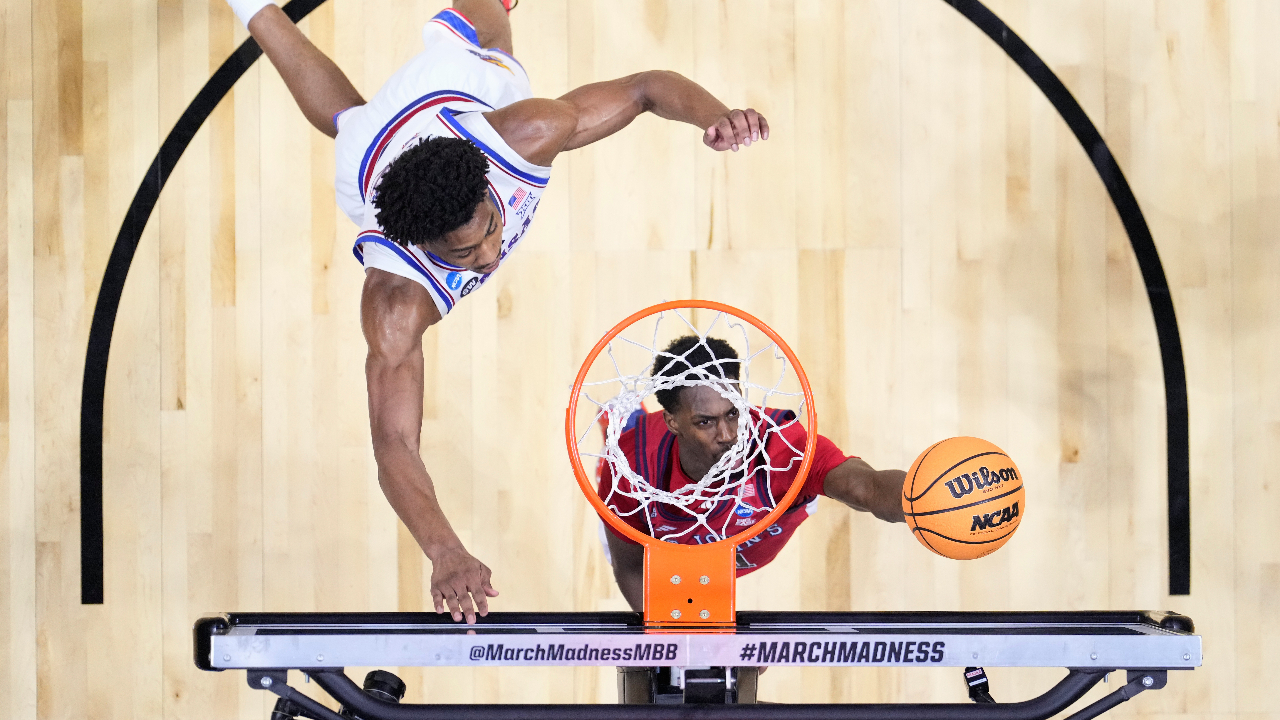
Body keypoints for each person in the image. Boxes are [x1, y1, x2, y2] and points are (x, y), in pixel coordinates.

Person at [226, 0, 770, 623]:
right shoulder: (398, 299)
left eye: (489, 226)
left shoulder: (524, 134)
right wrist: (445, 551)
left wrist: (717, 117)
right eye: (463, 253)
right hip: (368, 158)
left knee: (493, 36)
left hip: (455, 85)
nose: (489, 255)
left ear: (487, 184)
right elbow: (393, 442)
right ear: (420, 247)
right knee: (349, 122)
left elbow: (648, 87)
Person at [596, 336, 905, 611]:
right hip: (666, 551)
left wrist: (927, 502)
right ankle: (623, 419)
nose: (729, 434)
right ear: (673, 422)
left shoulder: (781, 448)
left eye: (734, 412)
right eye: (706, 422)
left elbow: (867, 488)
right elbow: (633, 568)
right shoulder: (629, 467)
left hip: (744, 536)